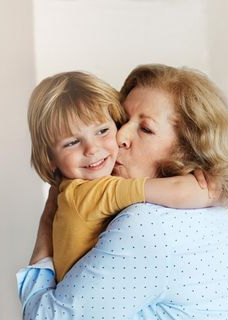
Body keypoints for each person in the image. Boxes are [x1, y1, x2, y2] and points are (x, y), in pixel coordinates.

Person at [17, 64, 228, 320]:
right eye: (122, 120)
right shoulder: (194, 216)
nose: (119, 138)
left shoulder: (148, 225)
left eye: (145, 128)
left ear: (185, 147)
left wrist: (44, 243)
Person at [27, 71, 215, 282]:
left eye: (102, 131)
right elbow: (183, 191)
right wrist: (217, 188)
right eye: (71, 142)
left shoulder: (68, 191)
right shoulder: (93, 192)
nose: (92, 149)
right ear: (50, 158)